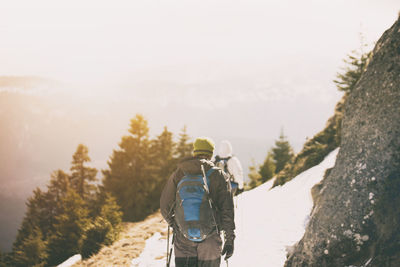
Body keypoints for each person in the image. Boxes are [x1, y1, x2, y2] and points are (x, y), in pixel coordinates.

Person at [160, 137, 235, 267]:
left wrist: (178, 225)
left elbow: (165, 206)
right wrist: (229, 239)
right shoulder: (218, 175)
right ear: (211, 154)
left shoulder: (179, 173)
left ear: (194, 152)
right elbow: (227, 210)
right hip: (211, 240)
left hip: (183, 240)